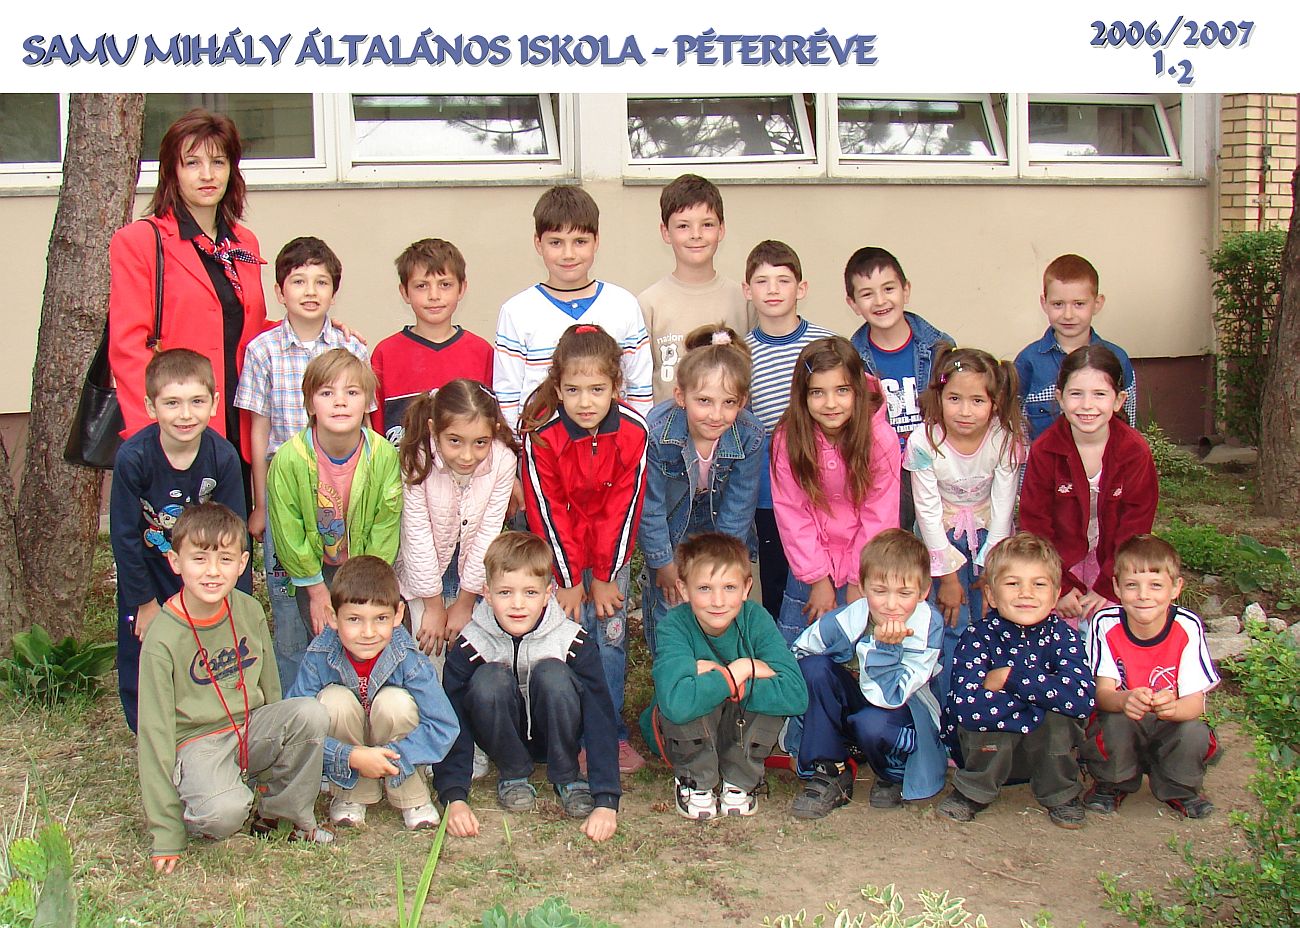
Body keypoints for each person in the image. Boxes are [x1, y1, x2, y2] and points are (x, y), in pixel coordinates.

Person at [138, 503, 331, 874]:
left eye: (225, 559)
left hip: (248, 727)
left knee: (309, 713)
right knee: (225, 814)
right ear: (175, 562)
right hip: (199, 740)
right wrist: (165, 832)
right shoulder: (162, 638)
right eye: (199, 559)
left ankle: (281, 813)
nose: (213, 571)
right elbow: (154, 735)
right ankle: (199, 797)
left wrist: (275, 758)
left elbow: (270, 690)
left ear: (242, 564)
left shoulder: (248, 609)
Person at [234, 236, 371, 689]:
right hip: (284, 495)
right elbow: (258, 431)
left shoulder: (351, 348)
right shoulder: (263, 350)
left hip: (344, 491)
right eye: (298, 281)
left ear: (334, 291)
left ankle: (349, 693)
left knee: (344, 590)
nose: (310, 291)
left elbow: (368, 428)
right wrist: (259, 503)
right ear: (279, 291)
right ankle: (296, 702)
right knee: (289, 601)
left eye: (321, 282)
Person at [435, 532, 621, 843]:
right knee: (488, 680)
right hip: (501, 736)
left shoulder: (572, 641)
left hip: (556, 733)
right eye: (505, 592)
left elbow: (600, 716)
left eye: (530, 592)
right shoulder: (471, 643)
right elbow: (451, 718)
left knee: (553, 674)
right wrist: (454, 796)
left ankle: (567, 775)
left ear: (548, 594)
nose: (518, 604)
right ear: (487, 593)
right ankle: (513, 773)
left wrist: (606, 800)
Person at [520, 324, 649, 772]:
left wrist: (606, 575)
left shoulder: (633, 431)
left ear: (616, 386)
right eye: (573, 390)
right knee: (568, 639)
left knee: (609, 640)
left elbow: (624, 507)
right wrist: (570, 579)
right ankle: (568, 734)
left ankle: (609, 734)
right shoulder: (542, 433)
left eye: (597, 389)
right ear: (558, 388)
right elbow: (547, 508)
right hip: (561, 559)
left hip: (612, 557)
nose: (585, 402)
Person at [109, 108, 266, 461]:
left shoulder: (243, 243)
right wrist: (152, 436)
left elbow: (243, 326)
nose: (207, 175)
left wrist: (314, 325)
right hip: (177, 430)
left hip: (238, 424)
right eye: (192, 163)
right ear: (172, 172)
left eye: (218, 162)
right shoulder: (140, 241)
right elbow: (128, 348)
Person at [111, 349, 250, 732]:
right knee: (143, 648)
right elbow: (124, 536)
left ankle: (208, 723)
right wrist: (143, 602)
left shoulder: (223, 457)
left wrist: (236, 599)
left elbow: (236, 535)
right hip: (149, 570)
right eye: (172, 403)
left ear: (215, 403)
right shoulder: (133, 458)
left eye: (196, 402)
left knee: (208, 647)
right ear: (150, 406)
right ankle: (149, 731)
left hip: (205, 571)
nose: (185, 414)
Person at [288, 555, 461, 830]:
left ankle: (411, 795)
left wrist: (392, 756)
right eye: (354, 619)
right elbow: (294, 727)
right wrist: (348, 756)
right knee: (333, 701)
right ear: (333, 617)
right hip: (349, 750)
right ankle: (351, 794)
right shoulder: (320, 654)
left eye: (380, 618)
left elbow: (444, 725)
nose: (368, 632)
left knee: (396, 703)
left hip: (397, 750)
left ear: (398, 615)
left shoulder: (408, 658)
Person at [938, 533, 1096, 828]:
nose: (1026, 593)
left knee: (1060, 718)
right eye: (1013, 584)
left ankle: (1060, 793)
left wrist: (1010, 679)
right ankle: (973, 791)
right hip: (986, 756)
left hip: (1045, 756)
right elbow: (967, 708)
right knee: (1039, 708)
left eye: (1039, 584)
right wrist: (1042, 696)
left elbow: (1081, 700)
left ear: (1055, 595)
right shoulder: (977, 638)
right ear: (991, 595)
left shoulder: (1063, 637)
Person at [786, 530, 946, 819]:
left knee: (872, 723)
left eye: (904, 593)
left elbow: (892, 696)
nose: (891, 604)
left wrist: (885, 649)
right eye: (880, 591)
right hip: (855, 707)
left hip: (897, 712)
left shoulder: (927, 625)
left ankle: (893, 771)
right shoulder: (849, 617)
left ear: (923, 592)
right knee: (814, 668)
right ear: (862, 587)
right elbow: (799, 655)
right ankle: (830, 768)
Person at [645, 533, 807, 819]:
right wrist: (738, 673)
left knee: (756, 694)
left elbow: (796, 694)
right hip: (687, 735)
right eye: (704, 588)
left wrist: (735, 674)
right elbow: (676, 702)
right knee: (690, 697)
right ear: (684, 589)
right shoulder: (674, 626)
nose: (718, 601)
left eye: (729, 587)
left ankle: (740, 779)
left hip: (737, 726)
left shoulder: (756, 619)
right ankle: (694, 780)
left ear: (746, 588)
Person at [267, 349, 402, 685]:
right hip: (307, 566)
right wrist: (316, 592)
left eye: (352, 392)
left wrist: (365, 586)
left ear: (368, 402)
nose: (340, 402)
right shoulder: (289, 459)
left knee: (359, 634)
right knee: (311, 637)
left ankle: (362, 698)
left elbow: (385, 525)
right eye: (327, 393)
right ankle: (306, 704)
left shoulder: (383, 455)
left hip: (360, 561)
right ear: (310, 404)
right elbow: (288, 529)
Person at [904, 346, 1024, 701]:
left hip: (989, 533)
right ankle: (949, 703)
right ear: (939, 397)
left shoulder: (1004, 440)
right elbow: (926, 510)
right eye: (954, 398)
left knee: (989, 615)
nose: (965, 411)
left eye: (978, 400)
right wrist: (947, 577)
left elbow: (1003, 507)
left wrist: (991, 569)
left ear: (995, 403)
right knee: (950, 619)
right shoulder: (924, 441)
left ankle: (991, 699)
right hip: (939, 535)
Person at [638, 323, 764, 655]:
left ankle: (717, 666)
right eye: (704, 401)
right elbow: (650, 507)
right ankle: (672, 667)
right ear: (681, 396)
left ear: (742, 401)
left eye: (728, 402)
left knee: (716, 595)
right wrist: (663, 563)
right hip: (670, 524)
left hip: (719, 520)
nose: (716, 415)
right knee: (672, 599)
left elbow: (739, 505)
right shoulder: (656, 432)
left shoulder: (750, 434)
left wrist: (724, 562)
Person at [770, 336, 901, 645]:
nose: (831, 404)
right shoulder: (788, 440)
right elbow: (791, 512)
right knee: (799, 650)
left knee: (859, 654)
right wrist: (817, 579)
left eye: (842, 390)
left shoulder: (880, 439)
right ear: (802, 395)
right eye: (817, 392)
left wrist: (859, 578)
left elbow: (880, 515)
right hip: (808, 567)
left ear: (858, 389)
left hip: (866, 566)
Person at [1019, 344, 1158, 630]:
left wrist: (1108, 586)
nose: (1086, 405)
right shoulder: (1045, 450)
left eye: (1099, 394)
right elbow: (1036, 524)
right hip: (1058, 562)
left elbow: (1135, 525)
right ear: (1059, 397)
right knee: (1053, 629)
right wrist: (1060, 585)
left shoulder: (1134, 451)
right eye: (1076, 394)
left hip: (1115, 562)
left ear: (1118, 400)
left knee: (1112, 627)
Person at [494, 185, 652, 434]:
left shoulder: (623, 305)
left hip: (613, 448)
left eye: (580, 242)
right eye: (556, 242)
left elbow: (639, 389)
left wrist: (638, 441)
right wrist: (518, 448)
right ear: (538, 243)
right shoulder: (517, 311)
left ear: (596, 241)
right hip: (543, 448)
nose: (568, 254)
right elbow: (507, 397)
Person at [1082, 535, 1220, 819]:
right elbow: (1102, 694)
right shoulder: (1105, 623)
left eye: (1156, 585)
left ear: (1176, 588)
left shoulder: (1187, 626)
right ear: (1117, 587)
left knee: (1194, 732)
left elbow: (1195, 704)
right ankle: (1112, 782)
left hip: (1168, 724)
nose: (1143, 595)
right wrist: (1125, 699)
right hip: (1126, 720)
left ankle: (1180, 788)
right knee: (1111, 724)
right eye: (1132, 585)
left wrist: (1173, 708)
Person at [742, 241, 835, 618]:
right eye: (762, 281)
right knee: (778, 573)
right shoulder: (742, 353)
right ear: (747, 291)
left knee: (829, 564)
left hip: (824, 476)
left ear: (802, 288)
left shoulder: (827, 345)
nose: (773, 290)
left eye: (783, 280)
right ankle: (782, 641)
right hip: (770, 486)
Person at [396, 379, 518, 655]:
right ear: (433, 429)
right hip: (424, 574)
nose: (467, 456)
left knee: (470, 652)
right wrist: (433, 606)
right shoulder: (417, 458)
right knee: (428, 647)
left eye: (480, 443)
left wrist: (465, 602)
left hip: (475, 572)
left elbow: (489, 533)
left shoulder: (503, 461)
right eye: (454, 441)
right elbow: (416, 534)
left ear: (494, 433)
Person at [843, 247, 954, 528]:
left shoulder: (940, 348)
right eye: (867, 294)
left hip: (937, 468)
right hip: (883, 474)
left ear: (906, 290)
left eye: (888, 288)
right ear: (853, 304)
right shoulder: (851, 360)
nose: (880, 301)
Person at [638, 173, 755, 404]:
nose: (696, 235)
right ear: (665, 232)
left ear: (721, 229)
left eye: (707, 225)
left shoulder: (744, 300)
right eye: (683, 226)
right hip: (666, 425)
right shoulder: (648, 303)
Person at [370, 238, 494, 445]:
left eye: (445, 285)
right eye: (421, 286)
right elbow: (375, 434)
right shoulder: (385, 353)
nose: (434, 295)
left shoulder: (482, 352)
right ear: (404, 292)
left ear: (462, 289)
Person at [1015, 254, 1137, 442]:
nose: (1068, 315)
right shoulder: (1028, 361)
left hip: (1102, 460)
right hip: (1044, 460)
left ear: (1097, 303)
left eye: (1079, 304)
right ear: (1044, 303)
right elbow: (1014, 423)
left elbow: (1128, 423)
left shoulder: (1116, 358)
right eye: (1058, 304)